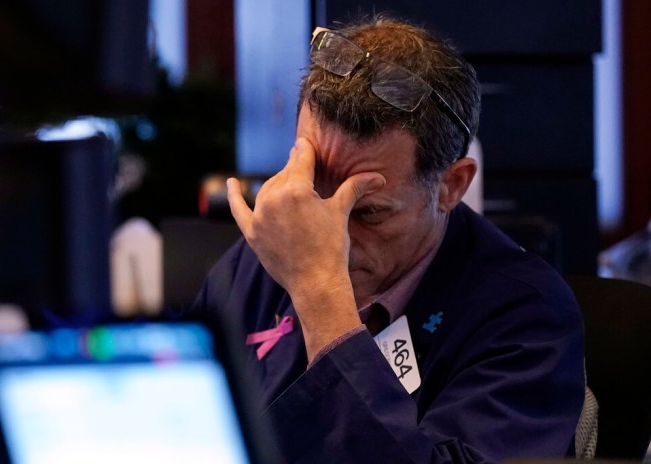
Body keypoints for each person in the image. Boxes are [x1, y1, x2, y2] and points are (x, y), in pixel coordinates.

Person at [191, 16, 585, 464]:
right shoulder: (263, 258)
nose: (329, 237)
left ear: (451, 186)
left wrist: (322, 298)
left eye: (368, 212)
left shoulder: (526, 315)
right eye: (316, 196)